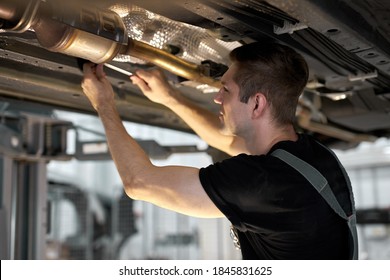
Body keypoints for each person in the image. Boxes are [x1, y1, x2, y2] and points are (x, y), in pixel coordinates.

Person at [81, 41, 357, 259]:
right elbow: (225, 142)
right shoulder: (311, 157)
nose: (217, 97)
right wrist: (170, 98)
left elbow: (139, 183)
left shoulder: (263, 183)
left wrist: (103, 104)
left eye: (226, 89)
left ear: (257, 104)